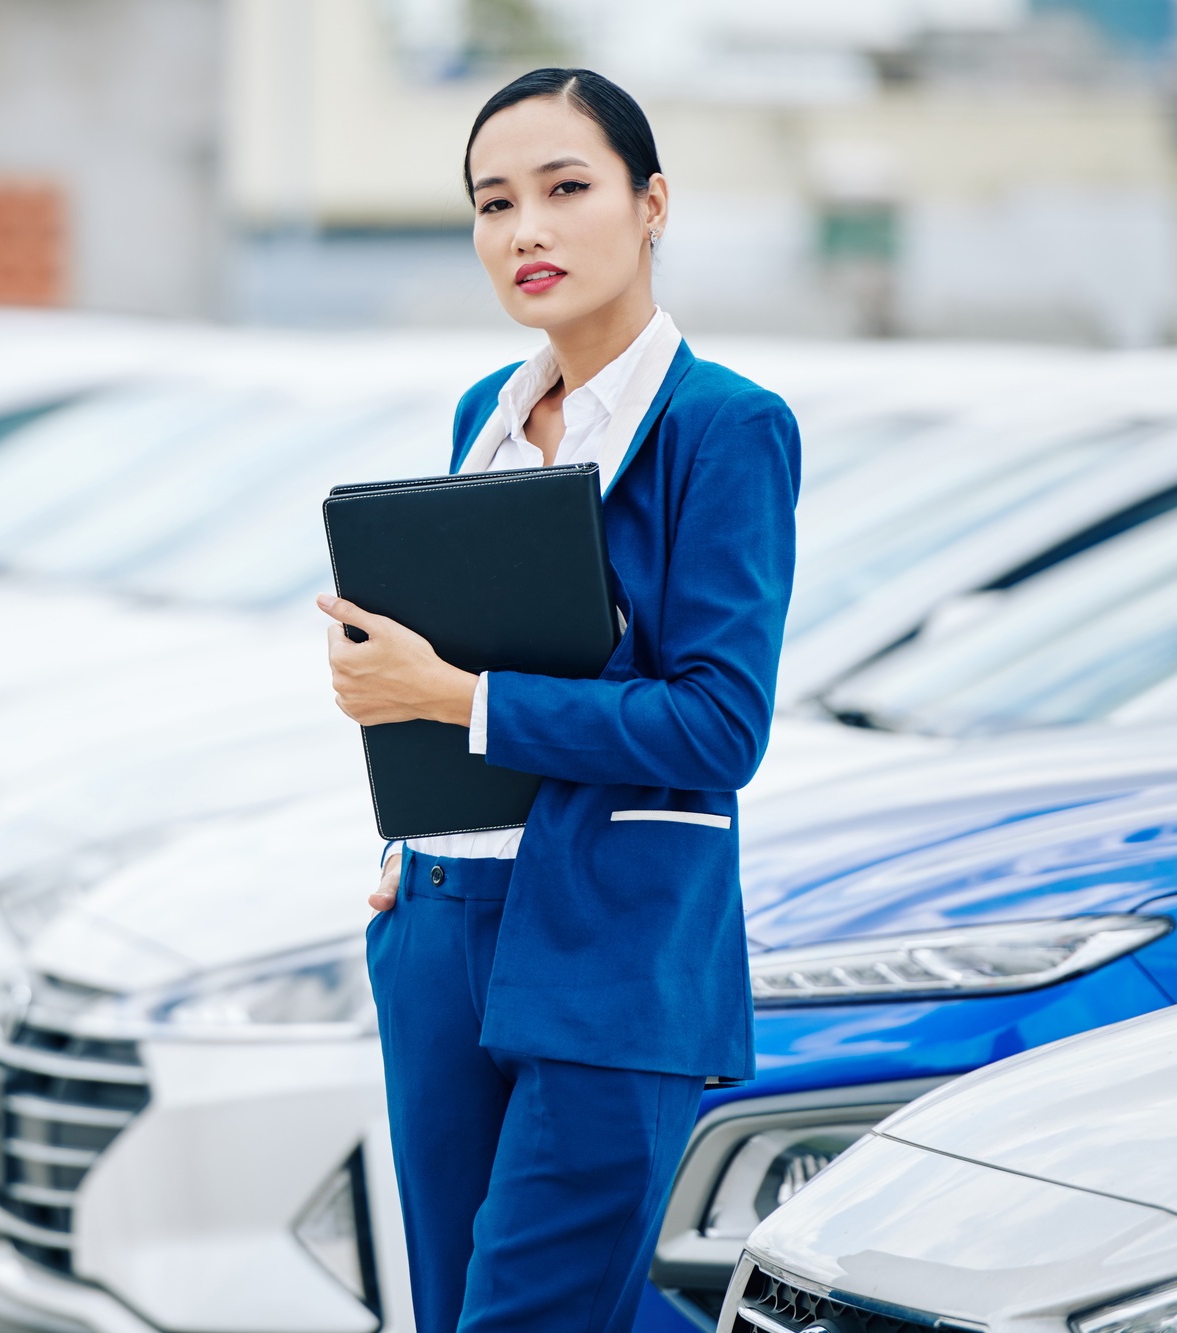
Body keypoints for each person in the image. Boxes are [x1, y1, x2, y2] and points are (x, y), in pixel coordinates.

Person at [316, 69, 799, 1333]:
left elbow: (715, 725)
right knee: (463, 1310)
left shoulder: (722, 428)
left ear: (649, 206)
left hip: (610, 936)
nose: (524, 229)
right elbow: (474, 649)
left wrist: (454, 699)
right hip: (436, 921)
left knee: (525, 1317)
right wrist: (410, 821)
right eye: (492, 202)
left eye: (564, 188)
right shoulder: (486, 409)